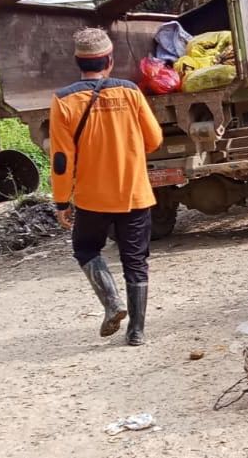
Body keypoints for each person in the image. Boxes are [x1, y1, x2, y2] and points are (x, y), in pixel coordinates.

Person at [49, 28, 163, 346]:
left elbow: (61, 159)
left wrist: (61, 201)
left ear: (77, 62)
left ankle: (112, 303)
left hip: (91, 197)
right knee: (135, 260)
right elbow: (154, 140)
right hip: (135, 193)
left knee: (86, 248)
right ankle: (137, 331)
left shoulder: (63, 101)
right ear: (109, 60)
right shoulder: (129, 91)